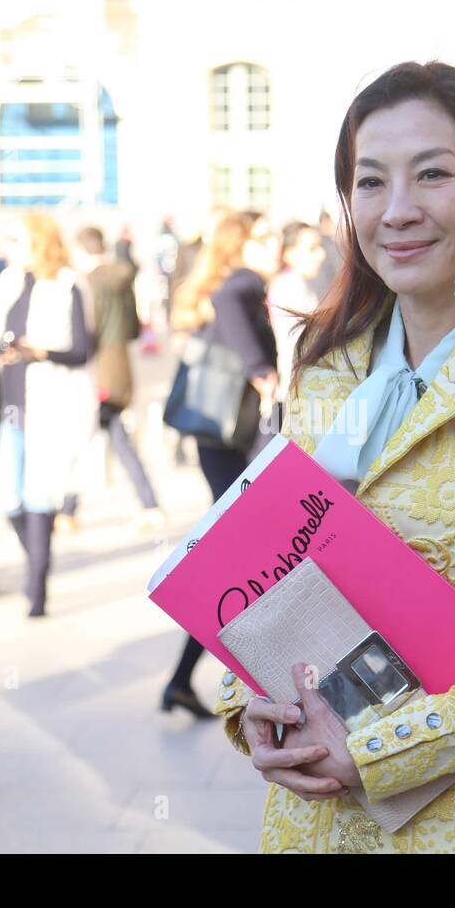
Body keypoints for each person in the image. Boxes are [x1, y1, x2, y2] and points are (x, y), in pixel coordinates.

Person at [210, 61, 455, 854]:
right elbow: (265, 588)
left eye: (431, 174)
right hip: (316, 822)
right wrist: (249, 710)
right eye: (370, 183)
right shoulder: (327, 369)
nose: (397, 211)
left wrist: (377, 753)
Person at [162, 210, 281, 718]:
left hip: (218, 436)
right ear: (243, 245)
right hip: (237, 435)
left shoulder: (228, 280)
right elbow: (228, 303)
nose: (274, 244)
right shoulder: (242, 282)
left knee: (238, 556)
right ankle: (196, 675)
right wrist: (262, 370)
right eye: (265, 237)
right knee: (241, 558)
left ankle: (183, 678)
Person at [0, 213, 93, 617]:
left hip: (51, 403)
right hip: (10, 402)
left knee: (38, 494)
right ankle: (36, 560)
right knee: (8, 497)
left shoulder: (68, 284)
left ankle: (36, 586)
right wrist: (5, 349)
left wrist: (40, 351)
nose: (10, 247)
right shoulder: (10, 282)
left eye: (17, 238)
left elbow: (82, 350)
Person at [61, 225, 166, 533]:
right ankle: (148, 504)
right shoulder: (123, 278)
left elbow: (85, 332)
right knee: (117, 438)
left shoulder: (87, 284)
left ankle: (67, 511)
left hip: (97, 370)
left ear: (81, 251)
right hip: (121, 365)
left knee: (87, 437)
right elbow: (133, 328)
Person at [268, 220, 327, 407]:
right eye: (312, 249)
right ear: (289, 254)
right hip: (298, 388)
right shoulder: (290, 286)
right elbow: (300, 342)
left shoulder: (298, 283)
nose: (321, 255)